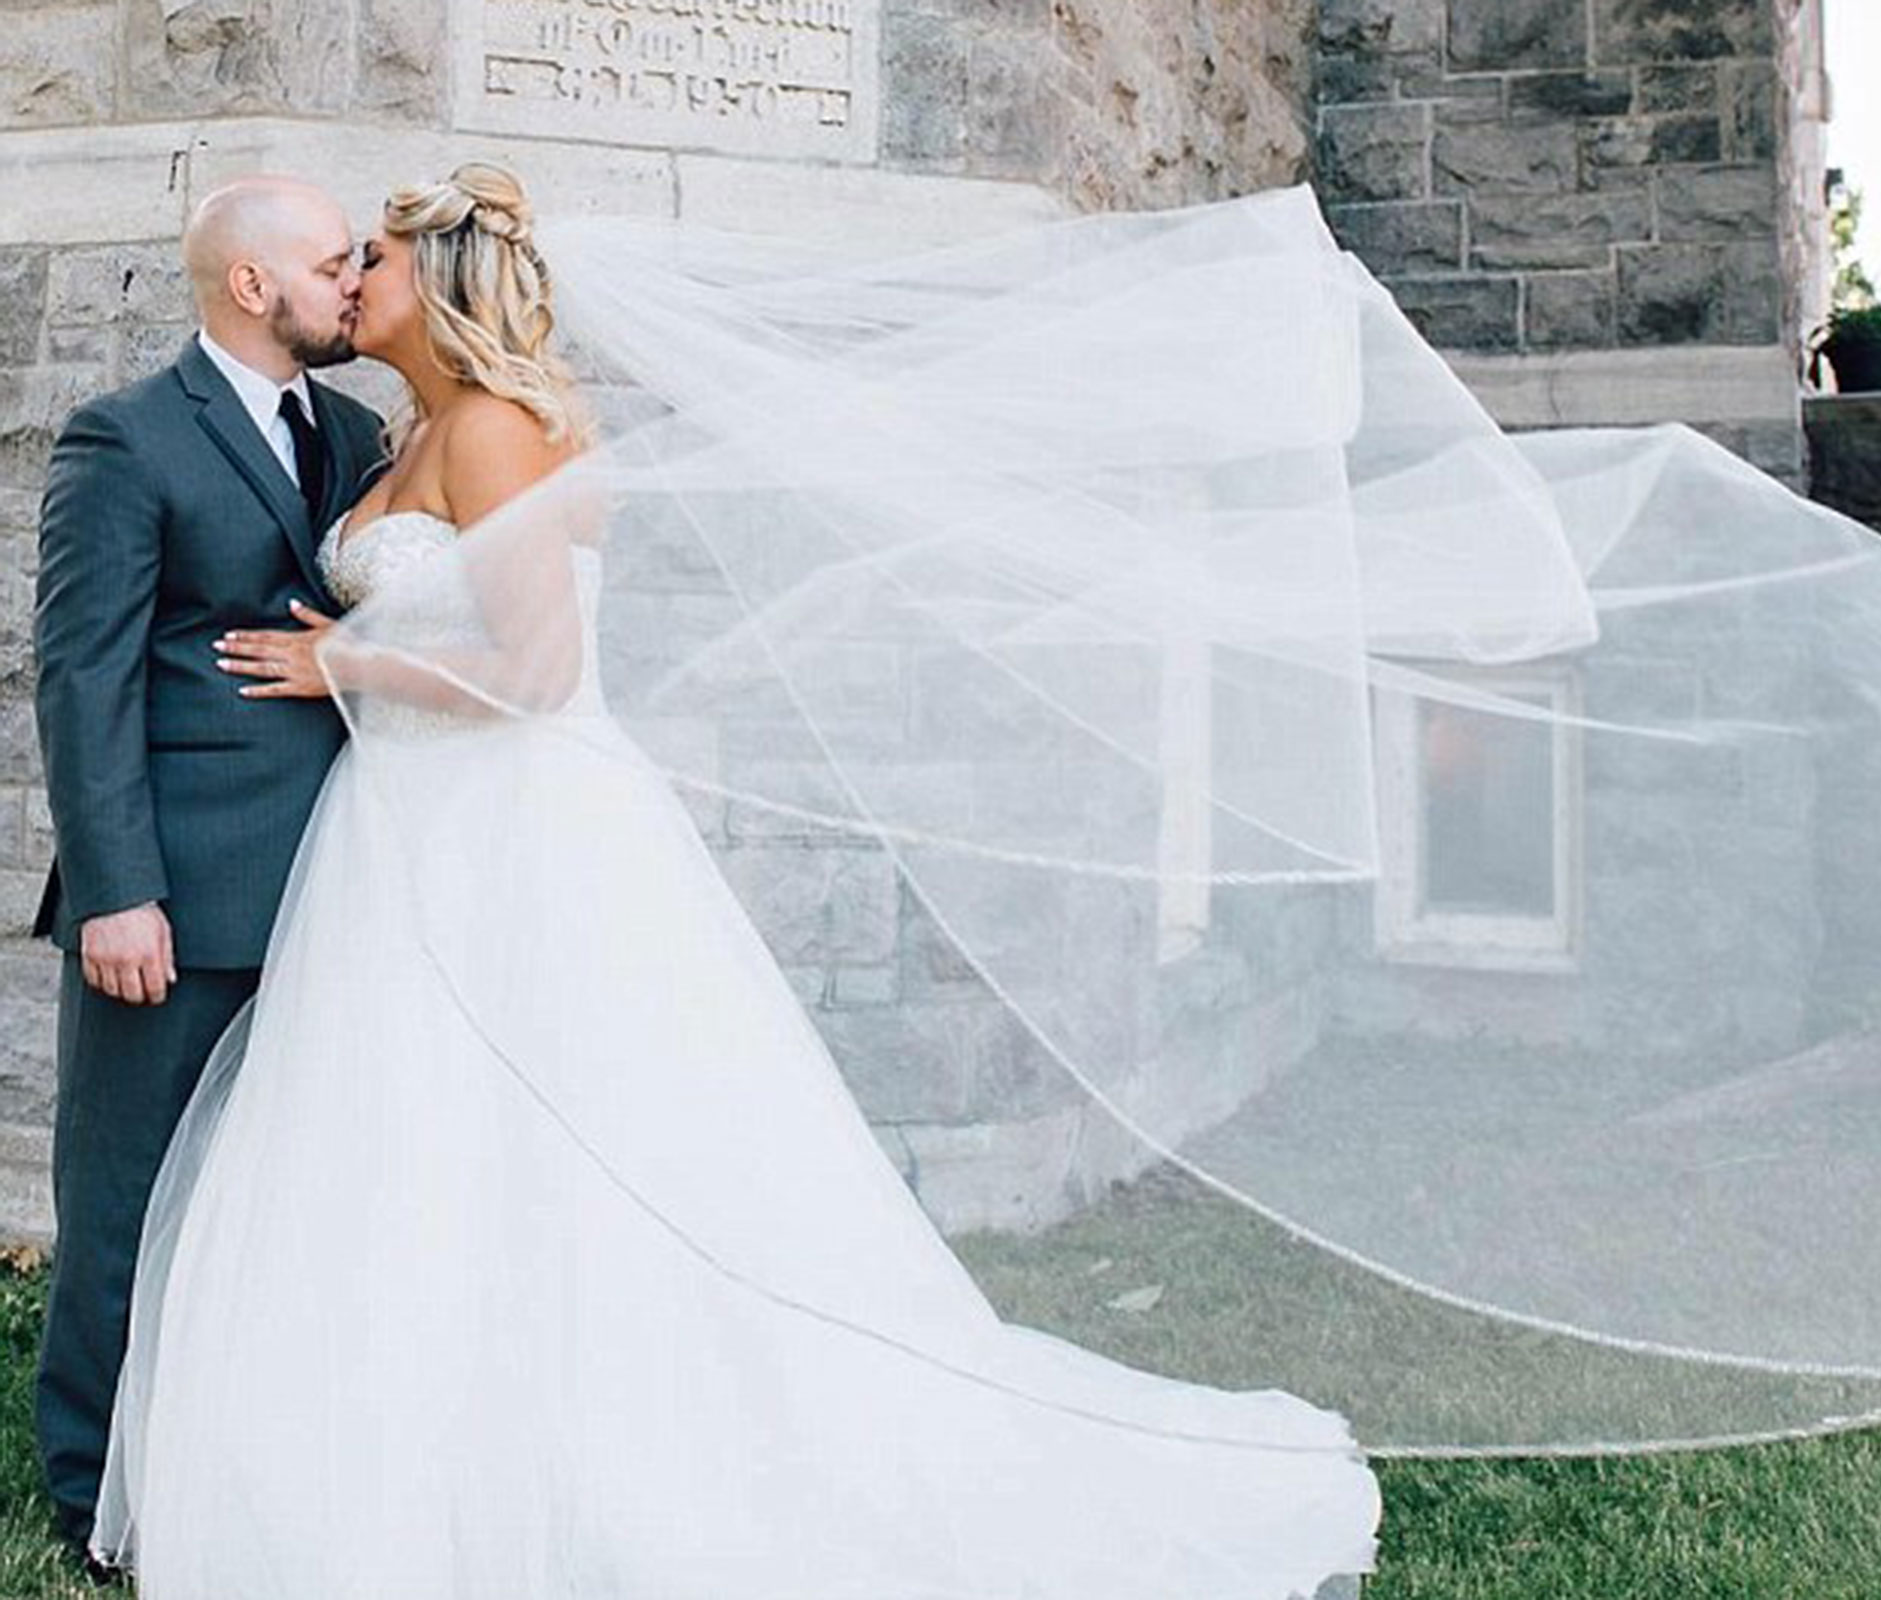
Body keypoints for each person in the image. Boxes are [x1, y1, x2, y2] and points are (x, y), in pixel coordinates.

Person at [86, 163, 1383, 1598]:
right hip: (398, 831)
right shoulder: (390, 435)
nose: (353, 279)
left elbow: (535, 672)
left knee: (557, 1150)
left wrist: (340, 658)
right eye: (340, 261)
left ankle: (600, 1465)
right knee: (405, 1156)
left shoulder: (497, 432)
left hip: (510, 832)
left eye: (373, 259)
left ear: (438, 289)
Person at [30, 174, 386, 1573]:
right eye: (329, 263)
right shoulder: (125, 441)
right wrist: (119, 888)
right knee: (123, 1200)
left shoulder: (358, 436)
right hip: (171, 901)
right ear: (253, 286)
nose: (353, 282)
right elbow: (82, 674)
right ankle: (86, 1494)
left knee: (284, 1205)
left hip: (344, 890)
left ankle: (249, 1459)